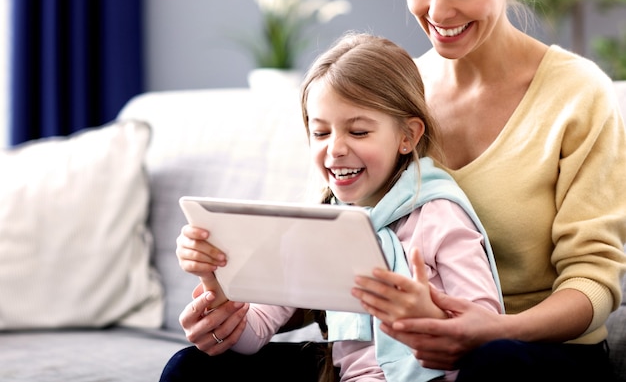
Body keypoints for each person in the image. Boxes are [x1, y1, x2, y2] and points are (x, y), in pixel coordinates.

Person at [159, 32, 503, 382]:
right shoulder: (315, 226)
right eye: (321, 133)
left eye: (358, 132)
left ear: (407, 136)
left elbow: (488, 339)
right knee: (188, 368)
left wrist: (426, 314)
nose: (335, 149)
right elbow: (253, 335)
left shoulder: (438, 214)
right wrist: (213, 280)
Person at [350, 0, 626, 381]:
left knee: (491, 362)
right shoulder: (393, 92)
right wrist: (238, 305)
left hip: (539, 355)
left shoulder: (579, 95)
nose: (438, 12)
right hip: (405, 357)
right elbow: (336, 234)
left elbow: (594, 280)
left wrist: (497, 330)